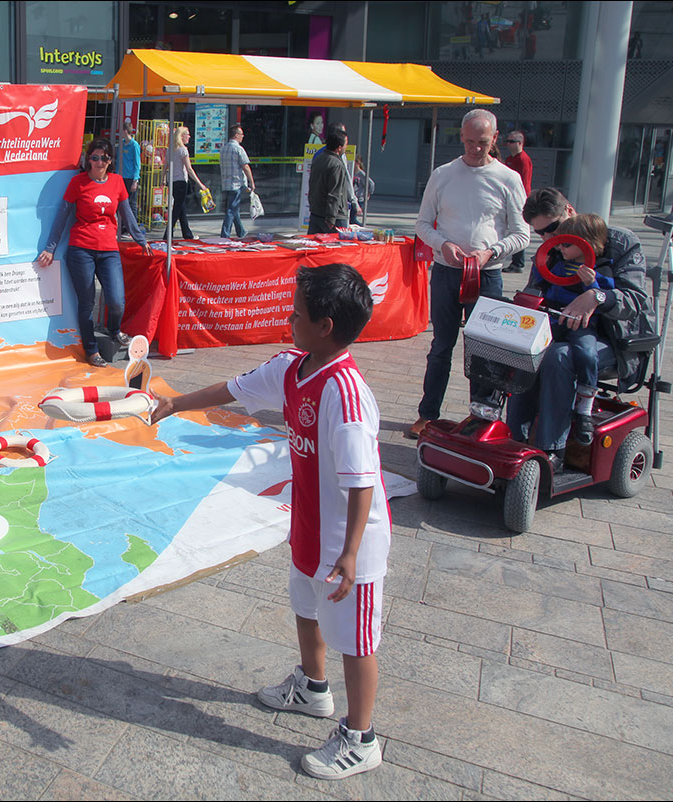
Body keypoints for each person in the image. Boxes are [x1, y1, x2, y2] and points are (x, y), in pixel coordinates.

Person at [151, 263, 391, 780]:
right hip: (308, 524)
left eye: (297, 314)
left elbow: (362, 483)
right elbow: (234, 389)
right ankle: (312, 686)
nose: (289, 318)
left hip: (350, 543)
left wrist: (350, 555)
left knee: (355, 640)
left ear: (326, 326)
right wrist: (174, 403)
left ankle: (362, 737)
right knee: (304, 603)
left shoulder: (346, 395)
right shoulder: (292, 367)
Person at [507, 188, 654, 468]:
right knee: (521, 350)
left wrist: (597, 296)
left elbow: (636, 300)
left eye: (553, 228)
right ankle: (515, 438)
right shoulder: (550, 253)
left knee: (559, 356)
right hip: (560, 329)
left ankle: (552, 451)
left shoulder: (619, 242)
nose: (550, 239)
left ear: (570, 212)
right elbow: (534, 291)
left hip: (611, 337)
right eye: (541, 234)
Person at [407, 108, 530, 440]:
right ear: (461, 136)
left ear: (495, 139)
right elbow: (421, 224)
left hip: (487, 275)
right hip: (447, 272)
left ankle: (482, 416)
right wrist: (443, 244)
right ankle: (427, 414)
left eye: (484, 142)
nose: (477, 149)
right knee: (441, 346)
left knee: (484, 349)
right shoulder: (443, 174)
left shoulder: (508, 178)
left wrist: (492, 251)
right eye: (471, 141)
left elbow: (522, 233)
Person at [36, 138, 151, 368]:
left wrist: (140, 239)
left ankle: (115, 329)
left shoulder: (118, 182)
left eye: (104, 158)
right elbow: (61, 217)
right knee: (86, 302)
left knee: (117, 300)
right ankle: (91, 349)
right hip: (81, 250)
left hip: (109, 250)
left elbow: (127, 214)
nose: (99, 162)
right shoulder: (78, 182)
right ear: (88, 160)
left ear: (110, 161)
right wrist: (50, 248)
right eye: (95, 158)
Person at [531, 213, 617, 446]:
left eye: (567, 244)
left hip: (583, 324)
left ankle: (585, 407)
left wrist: (592, 283)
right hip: (554, 319)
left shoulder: (600, 269)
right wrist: (541, 260)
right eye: (559, 242)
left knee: (587, 353)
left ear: (586, 245)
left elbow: (606, 296)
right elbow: (542, 282)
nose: (561, 247)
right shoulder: (557, 262)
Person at [307, 128, 351, 235]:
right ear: (339, 148)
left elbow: (311, 185)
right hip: (333, 216)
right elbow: (335, 192)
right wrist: (331, 217)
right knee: (337, 249)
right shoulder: (336, 164)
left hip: (316, 212)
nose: (346, 147)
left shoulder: (318, 158)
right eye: (346, 144)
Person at [168, 126, 208, 240]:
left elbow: (166, 166)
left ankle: (187, 234)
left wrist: (162, 180)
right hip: (181, 182)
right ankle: (167, 234)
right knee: (177, 209)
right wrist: (200, 184)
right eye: (188, 134)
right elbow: (189, 169)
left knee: (181, 208)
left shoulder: (170, 149)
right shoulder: (183, 150)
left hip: (172, 182)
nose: (189, 137)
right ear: (182, 136)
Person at [502, 131, 534, 273]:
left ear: (520, 143)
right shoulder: (510, 159)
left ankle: (518, 263)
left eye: (511, 141)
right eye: (507, 141)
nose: (508, 144)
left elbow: (524, 182)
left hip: (519, 199)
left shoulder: (523, 159)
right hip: (509, 197)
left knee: (518, 229)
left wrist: (523, 201)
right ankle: (516, 261)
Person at [220, 124, 255, 238]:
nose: (243, 136)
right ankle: (225, 234)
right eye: (241, 134)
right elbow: (245, 166)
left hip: (226, 183)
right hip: (236, 183)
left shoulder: (224, 148)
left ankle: (241, 231)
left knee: (234, 209)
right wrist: (251, 182)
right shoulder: (238, 149)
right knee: (231, 210)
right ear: (236, 135)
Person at [117, 121, 141, 203]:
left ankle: (132, 216)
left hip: (130, 178)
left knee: (131, 202)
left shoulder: (135, 145)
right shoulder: (121, 144)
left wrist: (135, 180)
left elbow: (137, 163)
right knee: (121, 201)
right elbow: (118, 161)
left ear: (125, 131)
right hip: (121, 177)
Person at [350, 159, 374, 227]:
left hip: (359, 198)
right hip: (352, 197)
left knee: (352, 219)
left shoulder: (361, 174)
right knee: (351, 219)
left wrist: (368, 193)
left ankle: (362, 227)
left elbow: (371, 183)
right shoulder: (351, 172)